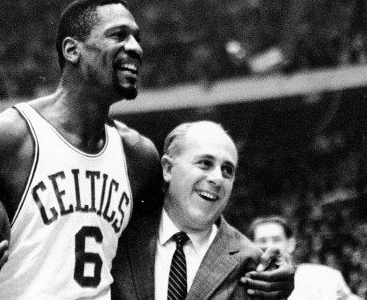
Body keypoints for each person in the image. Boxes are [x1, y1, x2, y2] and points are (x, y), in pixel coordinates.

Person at [0, 0, 291, 299]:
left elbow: (194, 212)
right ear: (73, 50)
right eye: (119, 35)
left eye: (137, 37)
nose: (135, 47)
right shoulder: (7, 137)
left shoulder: (137, 155)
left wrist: (266, 263)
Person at [112, 121, 295, 299]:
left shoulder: (252, 264)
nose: (218, 178)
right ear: (168, 169)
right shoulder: (119, 237)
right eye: (205, 163)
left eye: (227, 170)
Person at [248, 216, 361, 300]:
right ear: (251, 246)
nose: (270, 246)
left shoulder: (323, 276)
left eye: (276, 239)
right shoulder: (246, 285)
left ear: (290, 244)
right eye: (262, 241)